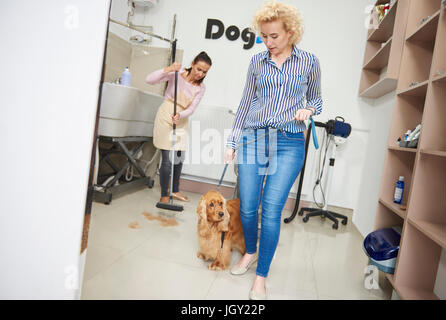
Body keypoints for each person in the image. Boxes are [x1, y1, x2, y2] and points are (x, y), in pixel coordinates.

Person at [224, 2, 322, 300]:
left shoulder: (309, 62)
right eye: (264, 36)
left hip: (290, 143)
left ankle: (261, 276)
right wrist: (232, 142)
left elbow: (317, 101)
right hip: (254, 138)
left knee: (271, 210)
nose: (268, 42)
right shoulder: (256, 62)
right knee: (248, 206)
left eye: (274, 36)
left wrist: (307, 109)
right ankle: (250, 252)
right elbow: (245, 103)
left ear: (291, 33)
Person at [146, 52, 212, 204]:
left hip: (181, 117)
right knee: (167, 159)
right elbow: (149, 80)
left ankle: (175, 190)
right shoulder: (176, 75)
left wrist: (181, 115)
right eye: (198, 69)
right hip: (166, 115)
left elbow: (192, 108)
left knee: (179, 157)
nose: (200, 74)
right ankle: (164, 194)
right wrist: (168, 69)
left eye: (204, 72)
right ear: (192, 63)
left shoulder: (201, 88)